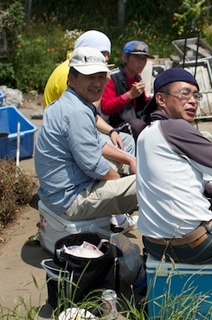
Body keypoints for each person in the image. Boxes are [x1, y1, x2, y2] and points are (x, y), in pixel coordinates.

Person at [137, 68, 212, 265]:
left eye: (196, 95)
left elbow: (176, 175)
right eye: (184, 93)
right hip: (198, 248)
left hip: (154, 246)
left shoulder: (145, 134)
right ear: (161, 99)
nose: (193, 100)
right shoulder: (176, 127)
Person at [35, 47, 137, 232]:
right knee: (149, 182)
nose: (97, 83)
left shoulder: (69, 102)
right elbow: (93, 166)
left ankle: (120, 215)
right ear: (71, 79)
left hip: (56, 193)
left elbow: (97, 142)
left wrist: (130, 159)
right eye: (90, 77)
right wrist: (123, 180)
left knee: (124, 154)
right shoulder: (77, 112)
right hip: (71, 200)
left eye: (101, 76)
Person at [43, 30, 135, 155]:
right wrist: (102, 84)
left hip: (80, 127)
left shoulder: (74, 68)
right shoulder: (72, 73)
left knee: (126, 140)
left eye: (107, 54)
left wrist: (111, 131)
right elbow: (87, 113)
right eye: (102, 53)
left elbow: (90, 112)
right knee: (122, 151)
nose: (106, 58)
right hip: (65, 137)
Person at [100, 40, 154, 140]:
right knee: (137, 125)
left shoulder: (137, 78)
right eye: (137, 57)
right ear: (125, 58)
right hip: (113, 127)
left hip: (133, 121)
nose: (142, 62)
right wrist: (129, 95)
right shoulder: (112, 78)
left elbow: (141, 105)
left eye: (144, 58)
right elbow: (105, 108)